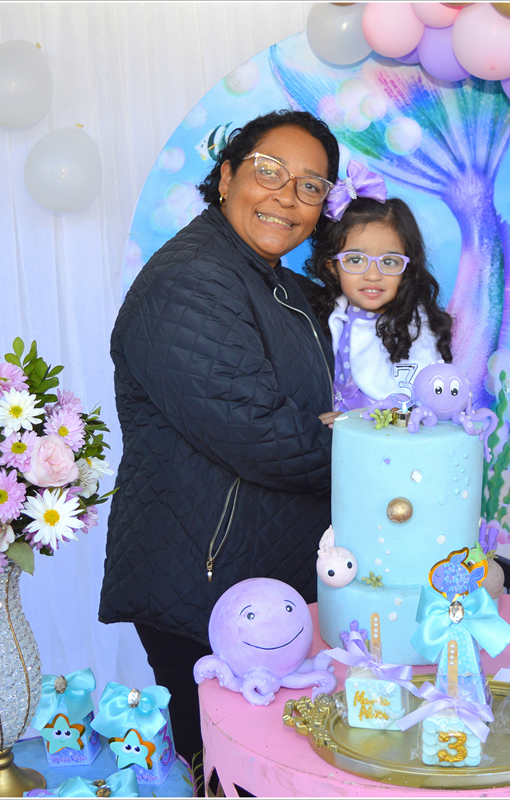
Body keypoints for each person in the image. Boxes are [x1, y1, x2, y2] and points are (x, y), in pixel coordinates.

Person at [100, 110, 340, 777]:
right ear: (227, 175)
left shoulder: (277, 283)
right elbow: (262, 434)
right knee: (218, 769)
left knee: (272, 767)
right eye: (270, 172)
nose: (287, 196)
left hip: (258, 577)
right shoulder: (191, 280)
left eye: (310, 185)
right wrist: (378, 459)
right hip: (202, 585)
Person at [304, 163, 454, 412]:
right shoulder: (326, 315)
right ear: (332, 267)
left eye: (389, 261)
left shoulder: (416, 327)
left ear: (407, 268)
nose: (373, 275)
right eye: (355, 260)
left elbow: (426, 402)